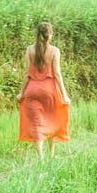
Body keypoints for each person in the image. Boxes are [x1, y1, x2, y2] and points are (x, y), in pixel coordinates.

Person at [16, 21, 70, 158]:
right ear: (50, 35)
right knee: (52, 119)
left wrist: (21, 93)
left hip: (32, 91)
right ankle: (51, 154)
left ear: (37, 34)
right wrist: (64, 95)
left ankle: (41, 158)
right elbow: (57, 74)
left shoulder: (29, 50)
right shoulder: (54, 51)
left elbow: (27, 74)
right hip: (49, 91)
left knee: (36, 124)